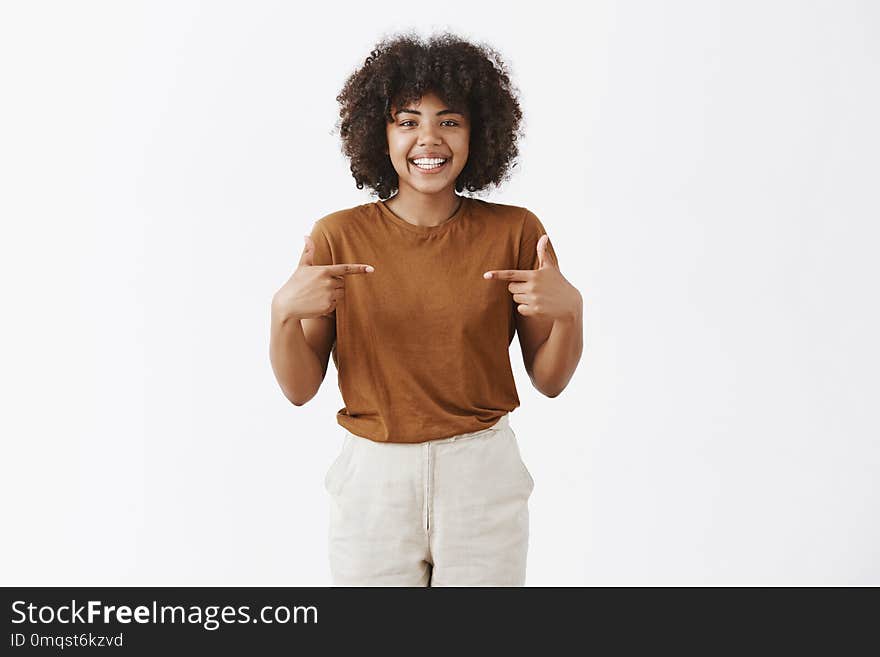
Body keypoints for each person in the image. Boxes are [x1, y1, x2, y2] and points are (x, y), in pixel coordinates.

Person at [269, 31, 584, 586]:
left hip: (482, 475)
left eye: (450, 121)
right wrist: (283, 313)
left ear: (478, 131)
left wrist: (570, 311)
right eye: (407, 121)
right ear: (380, 132)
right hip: (374, 479)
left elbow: (550, 380)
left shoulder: (516, 231)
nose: (429, 139)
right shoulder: (338, 236)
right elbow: (299, 389)